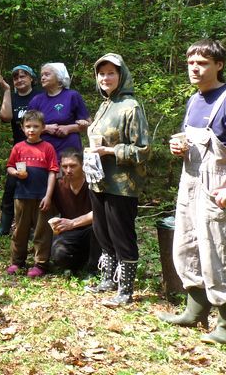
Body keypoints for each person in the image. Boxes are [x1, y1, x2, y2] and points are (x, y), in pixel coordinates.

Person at [158, 40, 226, 345]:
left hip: (216, 191)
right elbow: (192, 142)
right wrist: (178, 147)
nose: (194, 68)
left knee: (217, 253)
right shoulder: (194, 100)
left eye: (203, 62)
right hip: (189, 184)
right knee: (186, 247)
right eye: (191, 62)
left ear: (219, 65)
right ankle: (194, 311)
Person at [85, 53, 150, 307]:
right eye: (101, 74)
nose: (105, 78)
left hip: (122, 184)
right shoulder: (105, 105)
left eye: (111, 73)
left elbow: (143, 150)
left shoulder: (131, 106)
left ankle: (126, 290)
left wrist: (110, 151)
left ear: (121, 75)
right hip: (99, 180)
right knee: (102, 232)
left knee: (121, 235)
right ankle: (108, 280)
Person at [5, 110, 58, 278]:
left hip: (42, 197)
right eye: (28, 126)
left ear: (43, 127)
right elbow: (10, 166)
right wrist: (15, 173)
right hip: (22, 195)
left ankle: (40, 263)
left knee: (42, 230)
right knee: (20, 230)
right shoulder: (18, 147)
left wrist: (48, 196)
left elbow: (52, 172)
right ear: (22, 128)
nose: (31, 130)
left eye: (35, 126)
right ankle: (17, 261)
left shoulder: (48, 148)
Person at [0, 64, 40, 237]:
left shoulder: (39, 96)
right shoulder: (13, 97)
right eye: (16, 77)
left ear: (31, 78)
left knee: (35, 188)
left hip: (39, 150)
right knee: (11, 187)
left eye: (23, 76)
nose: (19, 80)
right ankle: (4, 227)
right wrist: (6, 91)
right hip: (20, 151)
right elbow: (5, 117)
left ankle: (34, 228)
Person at [48, 148, 101, 275]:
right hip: (69, 233)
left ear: (82, 165)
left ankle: (93, 269)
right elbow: (50, 210)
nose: (68, 170)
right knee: (59, 254)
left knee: (99, 228)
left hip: (91, 231)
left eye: (73, 166)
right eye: (64, 166)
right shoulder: (58, 185)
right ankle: (78, 264)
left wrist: (72, 223)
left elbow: (100, 212)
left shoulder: (93, 184)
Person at [28, 62, 90, 159]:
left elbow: (89, 124)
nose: (43, 78)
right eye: (42, 75)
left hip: (70, 154)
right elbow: (26, 127)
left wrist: (69, 128)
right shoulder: (37, 100)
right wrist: (46, 128)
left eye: (47, 74)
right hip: (43, 153)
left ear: (59, 77)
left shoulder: (72, 96)